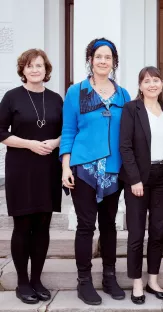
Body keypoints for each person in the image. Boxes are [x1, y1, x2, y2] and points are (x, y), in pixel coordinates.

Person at [59, 38, 131, 306]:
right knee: (86, 226)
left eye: (108, 57)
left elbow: (129, 133)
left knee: (109, 226)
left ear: (114, 62)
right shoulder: (76, 92)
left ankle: (109, 277)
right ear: (90, 59)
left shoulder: (123, 94)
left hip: (114, 171)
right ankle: (84, 281)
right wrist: (66, 166)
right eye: (98, 56)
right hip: (84, 169)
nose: (103, 61)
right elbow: (68, 132)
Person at [0, 49, 63, 304]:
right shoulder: (12, 97)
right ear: (23, 70)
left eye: (39, 65)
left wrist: (56, 142)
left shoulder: (57, 99)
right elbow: (0, 131)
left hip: (48, 168)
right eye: (30, 66)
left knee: (43, 226)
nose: (35, 69)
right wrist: (30, 144)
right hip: (21, 168)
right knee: (23, 226)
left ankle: (37, 279)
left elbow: (67, 132)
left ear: (46, 69)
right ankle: (22, 282)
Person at [119, 66, 163, 305]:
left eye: (156, 80)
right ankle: (137, 283)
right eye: (147, 81)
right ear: (140, 86)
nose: (152, 84)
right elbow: (125, 146)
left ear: (161, 84)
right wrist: (134, 179)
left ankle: (153, 280)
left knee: (158, 231)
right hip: (139, 178)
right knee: (136, 233)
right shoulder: (131, 109)